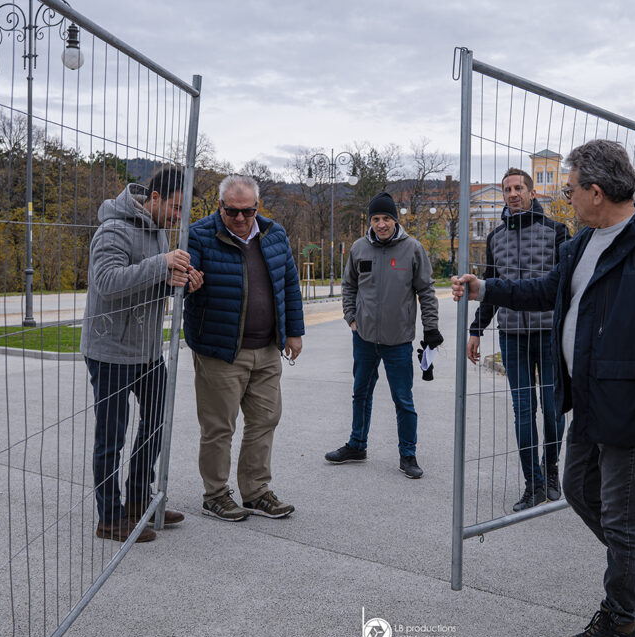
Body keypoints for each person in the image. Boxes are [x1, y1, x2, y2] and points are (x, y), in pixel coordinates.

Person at [451, 140, 635, 637]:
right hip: (590, 400)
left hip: (633, 405)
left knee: (623, 515)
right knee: (577, 488)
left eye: (569, 191)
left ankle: (620, 623)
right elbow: (547, 290)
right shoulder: (581, 244)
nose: (564, 199)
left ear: (596, 191)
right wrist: (485, 289)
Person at [81, 166, 202, 543]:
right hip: (111, 352)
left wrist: (176, 284)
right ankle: (109, 517)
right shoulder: (113, 229)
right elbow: (108, 283)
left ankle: (137, 501)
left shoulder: (160, 231)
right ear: (154, 199)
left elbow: (145, 284)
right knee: (112, 437)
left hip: (147, 352)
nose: (180, 217)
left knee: (156, 424)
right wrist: (162, 265)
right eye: (176, 208)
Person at [184, 174, 304, 521]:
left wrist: (294, 332)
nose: (239, 218)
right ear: (219, 205)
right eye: (231, 211)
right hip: (220, 351)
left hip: (267, 349)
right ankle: (216, 494)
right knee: (219, 427)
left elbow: (289, 285)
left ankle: (255, 491)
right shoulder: (199, 234)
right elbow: (181, 277)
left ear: (257, 207)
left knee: (266, 419)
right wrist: (188, 281)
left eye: (247, 211)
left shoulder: (274, 233)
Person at [467, 167, 568, 511]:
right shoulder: (495, 238)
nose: (512, 193)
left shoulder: (556, 232)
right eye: (507, 189)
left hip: (549, 333)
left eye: (518, 188)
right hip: (512, 336)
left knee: (554, 409)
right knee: (523, 411)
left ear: (531, 192)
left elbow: (566, 287)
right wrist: (476, 330)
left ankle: (551, 468)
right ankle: (533, 485)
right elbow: (490, 287)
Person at [324, 191, 442, 479]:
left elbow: (426, 291)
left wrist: (431, 328)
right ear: (370, 221)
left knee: (403, 399)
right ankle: (357, 445)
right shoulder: (359, 248)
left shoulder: (413, 249)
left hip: (398, 341)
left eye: (386, 218)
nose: (381, 224)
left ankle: (408, 454)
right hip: (363, 338)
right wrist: (351, 318)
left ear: (395, 219)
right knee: (360, 393)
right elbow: (349, 285)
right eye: (376, 219)